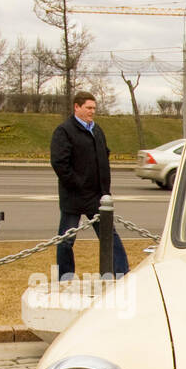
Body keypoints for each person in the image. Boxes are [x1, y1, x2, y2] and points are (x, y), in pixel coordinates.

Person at [50, 92, 128, 280]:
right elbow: (60, 163)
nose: (92, 112)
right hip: (74, 197)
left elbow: (104, 157)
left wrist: (104, 189)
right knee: (66, 241)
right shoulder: (64, 131)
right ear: (76, 107)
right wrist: (77, 184)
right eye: (88, 108)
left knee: (110, 237)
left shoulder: (97, 130)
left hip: (97, 197)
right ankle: (64, 277)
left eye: (94, 108)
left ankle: (122, 274)